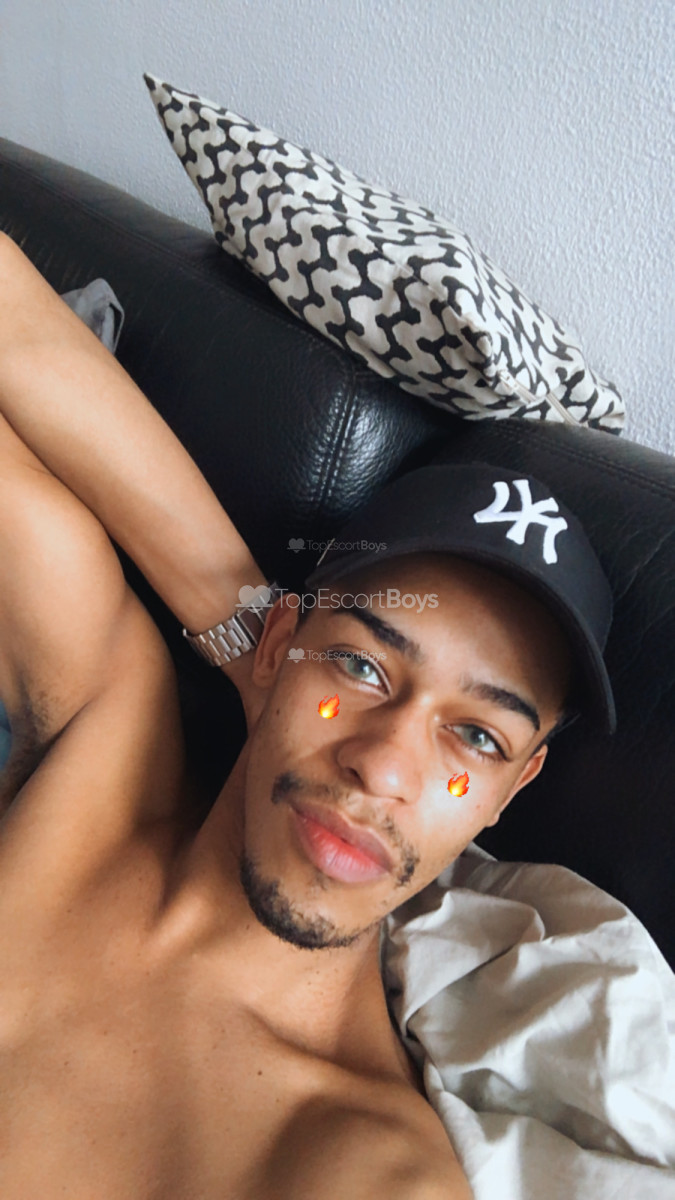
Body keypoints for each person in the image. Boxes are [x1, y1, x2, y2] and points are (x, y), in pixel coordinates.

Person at [0, 231, 614, 1199]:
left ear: (513, 788)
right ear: (280, 646)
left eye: (477, 736)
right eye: (363, 667)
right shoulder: (104, 741)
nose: (385, 765)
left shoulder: (361, 1163)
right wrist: (240, 617)